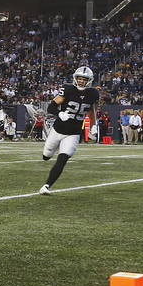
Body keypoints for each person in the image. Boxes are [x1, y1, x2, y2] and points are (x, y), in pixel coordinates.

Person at [40, 66, 99, 196]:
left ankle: (46, 185)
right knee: (46, 156)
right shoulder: (68, 89)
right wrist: (59, 113)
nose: (81, 81)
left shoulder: (93, 93)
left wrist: (94, 125)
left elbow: (92, 112)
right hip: (58, 129)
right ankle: (52, 149)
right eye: (79, 78)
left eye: (84, 79)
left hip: (74, 132)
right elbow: (51, 106)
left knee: (63, 158)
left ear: (89, 81)